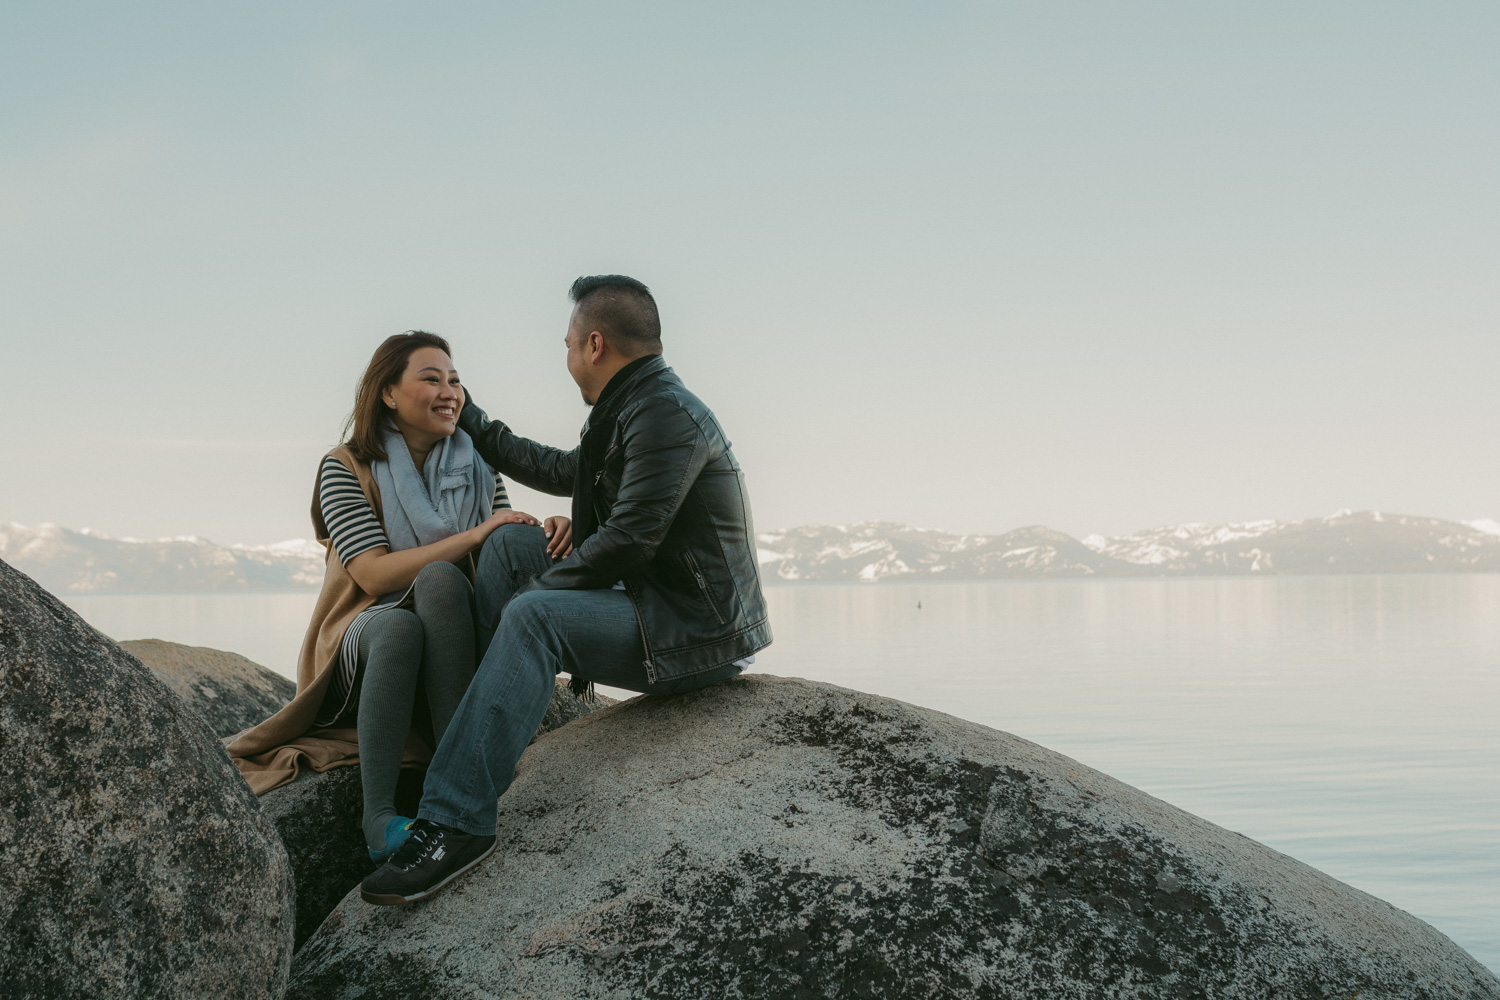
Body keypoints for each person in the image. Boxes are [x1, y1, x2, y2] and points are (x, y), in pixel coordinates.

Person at [360, 275, 772, 905]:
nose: (569, 356)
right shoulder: (628, 408)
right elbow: (557, 471)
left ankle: (455, 821)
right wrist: (469, 416)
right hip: (650, 601)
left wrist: (541, 596)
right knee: (504, 544)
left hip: (694, 632)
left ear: (595, 344)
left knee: (534, 616)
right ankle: (487, 728)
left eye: (569, 343)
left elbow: (631, 538)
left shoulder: (665, 414)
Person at [226, 331, 573, 862]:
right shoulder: (344, 466)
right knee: (399, 622)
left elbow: (501, 545)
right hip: (368, 628)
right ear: (388, 393)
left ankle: (451, 782)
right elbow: (371, 575)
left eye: (455, 380)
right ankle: (379, 818)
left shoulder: (480, 464)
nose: (449, 392)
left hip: (454, 626)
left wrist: (543, 530)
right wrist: (475, 535)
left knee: (439, 581)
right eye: (431, 379)